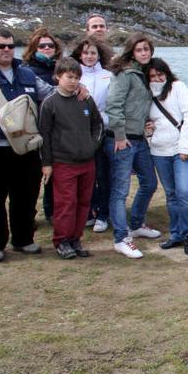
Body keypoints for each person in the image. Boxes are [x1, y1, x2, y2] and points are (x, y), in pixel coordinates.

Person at [0, 29, 56, 262]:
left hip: (26, 148)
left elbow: (51, 95)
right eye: (1, 45)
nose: (7, 50)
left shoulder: (26, 74)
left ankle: (23, 239)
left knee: (25, 197)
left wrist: (77, 90)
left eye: (10, 46)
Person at [38, 58, 103, 259]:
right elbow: (44, 135)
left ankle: (75, 238)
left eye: (76, 77)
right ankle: (62, 241)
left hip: (87, 161)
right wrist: (47, 163)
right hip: (63, 162)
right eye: (69, 77)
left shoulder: (85, 99)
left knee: (84, 202)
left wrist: (92, 146)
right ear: (58, 76)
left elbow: (98, 125)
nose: (73, 81)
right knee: (66, 204)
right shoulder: (50, 103)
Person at [105, 33, 160, 259]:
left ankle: (136, 224)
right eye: (139, 50)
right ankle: (121, 238)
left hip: (139, 138)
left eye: (146, 49)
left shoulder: (142, 74)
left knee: (149, 182)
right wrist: (119, 135)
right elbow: (113, 104)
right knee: (120, 190)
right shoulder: (124, 74)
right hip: (122, 139)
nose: (144, 53)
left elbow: (137, 105)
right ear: (131, 52)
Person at [145, 58, 188, 255]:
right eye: (152, 75)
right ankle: (176, 233)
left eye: (160, 74)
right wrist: (147, 130)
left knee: (184, 192)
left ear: (166, 73)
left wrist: (186, 147)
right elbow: (146, 120)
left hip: (180, 149)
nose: (157, 78)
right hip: (159, 150)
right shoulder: (146, 94)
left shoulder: (178, 87)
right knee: (171, 194)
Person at [71, 36, 114, 233]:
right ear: (80, 54)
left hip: (104, 131)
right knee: (84, 175)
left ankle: (104, 214)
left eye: (93, 53)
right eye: (86, 52)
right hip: (80, 132)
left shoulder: (108, 75)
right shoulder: (74, 76)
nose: (89, 56)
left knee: (102, 175)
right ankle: (88, 211)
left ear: (99, 55)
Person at [22, 27, 63, 223]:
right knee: (31, 176)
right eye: (42, 45)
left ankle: (52, 211)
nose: (47, 48)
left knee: (53, 173)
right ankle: (27, 216)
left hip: (57, 129)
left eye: (50, 45)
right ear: (33, 48)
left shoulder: (60, 68)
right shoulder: (26, 70)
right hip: (33, 129)